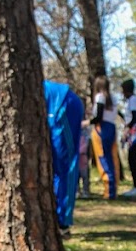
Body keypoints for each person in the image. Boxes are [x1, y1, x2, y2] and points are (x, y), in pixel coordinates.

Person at [44, 80, 83, 233]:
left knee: (64, 164)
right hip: (52, 107)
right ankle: (54, 214)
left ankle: (63, 220)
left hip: (62, 105)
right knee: (53, 165)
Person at [88, 75, 120, 199]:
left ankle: (109, 191)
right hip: (112, 127)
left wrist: (87, 122)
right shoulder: (113, 98)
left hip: (102, 129)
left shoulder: (100, 97)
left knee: (103, 158)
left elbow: (98, 117)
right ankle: (114, 188)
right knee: (112, 158)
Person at [121, 79, 136, 195]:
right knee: (132, 159)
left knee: (133, 160)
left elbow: (135, 118)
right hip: (133, 132)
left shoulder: (133, 100)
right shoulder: (130, 101)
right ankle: (135, 186)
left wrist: (127, 130)